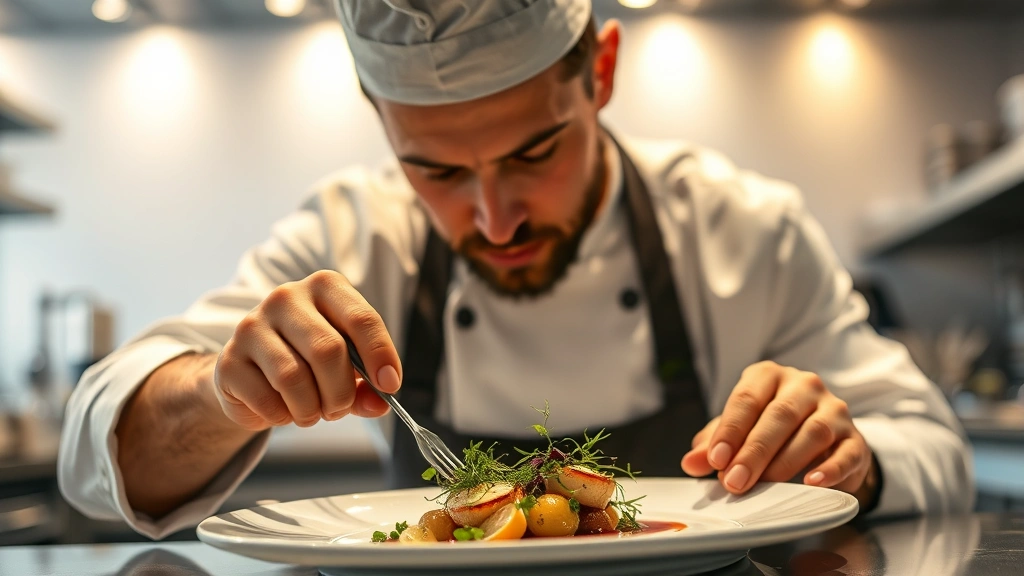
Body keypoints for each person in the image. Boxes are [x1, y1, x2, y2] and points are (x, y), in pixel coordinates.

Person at [57, 0, 973, 540]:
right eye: (438, 172)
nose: (493, 221)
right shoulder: (351, 232)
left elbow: (935, 447)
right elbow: (92, 457)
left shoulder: (745, 227)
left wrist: (855, 459)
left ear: (601, 72)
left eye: (536, 152)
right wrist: (222, 392)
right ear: (378, 117)